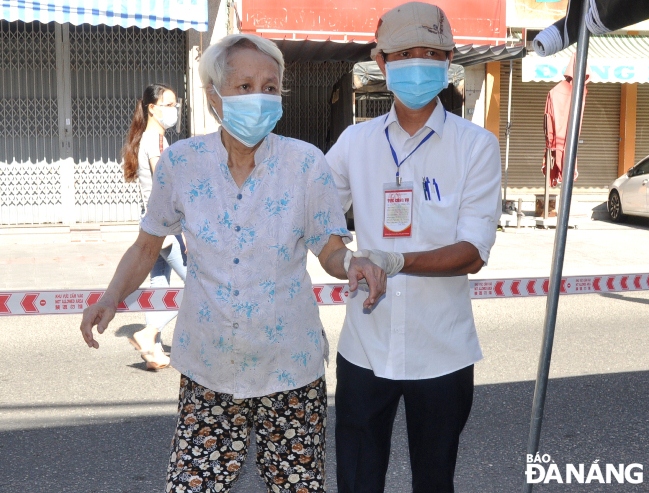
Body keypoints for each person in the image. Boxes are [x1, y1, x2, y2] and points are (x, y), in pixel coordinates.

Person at [80, 34, 386, 492]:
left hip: (290, 368)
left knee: (297, 486)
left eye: (269, 85)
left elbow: (330, 249)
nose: (259, 96)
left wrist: (352, 263)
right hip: (209, 368)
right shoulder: (181, 163)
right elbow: (147, 246)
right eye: (244, 86)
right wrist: (110, 297)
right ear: (214, 96)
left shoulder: (306, 165)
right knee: (192, 485)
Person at [325, 2, 502, 492]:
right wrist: (347, 257)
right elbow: (318, 221)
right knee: (357, 482)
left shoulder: (476, 146)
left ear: (449, 61)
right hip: (365, 349)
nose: (420, 63)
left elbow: (473, 251)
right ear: (382, 63)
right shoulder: (353, 144)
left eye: (432, 52)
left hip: (442, 352)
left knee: (434, 481)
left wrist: (396, 260)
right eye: (405, 53)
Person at [121, 83, 187, 370]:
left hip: (152, 226)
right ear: (152, 108)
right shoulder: (157, 140)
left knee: (159, 285)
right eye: (169, 105)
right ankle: (148, 332)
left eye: (175, 105)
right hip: (167, 228)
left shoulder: (142, 137)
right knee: (202, 285)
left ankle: (153, 351)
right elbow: (165, 182)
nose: (174, 111)